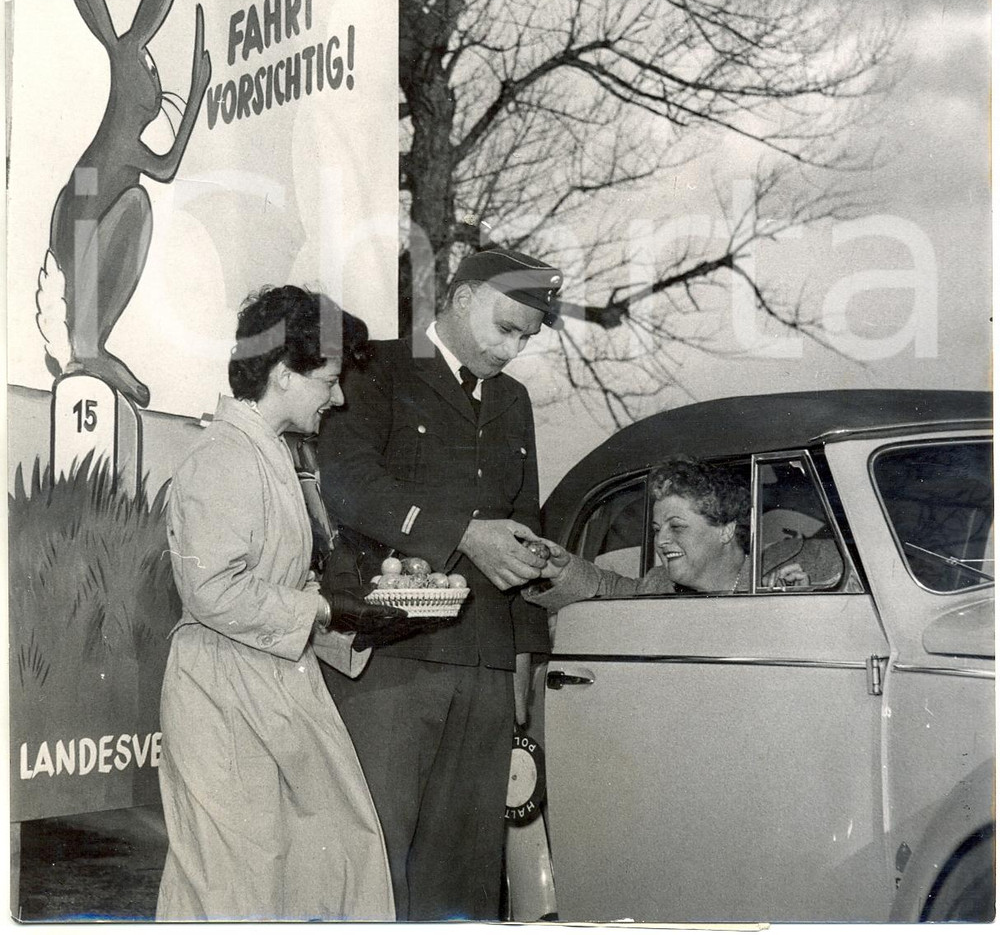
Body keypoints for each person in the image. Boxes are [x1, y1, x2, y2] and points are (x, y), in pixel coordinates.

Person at [317, 245, 562, 921]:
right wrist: (459, 532)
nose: (512, 349)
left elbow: (525, 519)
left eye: (525, 337)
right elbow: (350, 483)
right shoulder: (379, 369)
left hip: (483, 665)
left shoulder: (512, 401)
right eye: (505, 326)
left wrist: (523, 650)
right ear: (458, 297)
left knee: (465, 875)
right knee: (376, 865)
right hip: (393, 660)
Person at [156, 285, 409, 922]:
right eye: (328, 378)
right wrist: (326, 611)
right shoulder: (223, 459)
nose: (340, 396)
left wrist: (344, 613)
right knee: (231, 888)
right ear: (282, 373)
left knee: (301, 872)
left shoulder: (268, 455)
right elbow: (211, 591)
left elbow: (261, 586)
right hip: (221, 695)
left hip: (263, 687)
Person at [525, 457, 810, 609]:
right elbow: (607, 589)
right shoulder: (658, 585)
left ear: (725, 529)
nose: (661, 541)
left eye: (677, 526)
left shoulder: (779, 577)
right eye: (657, 529)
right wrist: (559, 570)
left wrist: (800, 607)